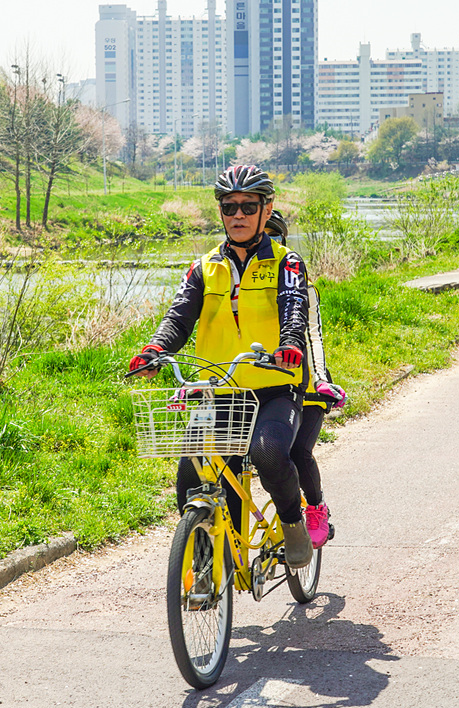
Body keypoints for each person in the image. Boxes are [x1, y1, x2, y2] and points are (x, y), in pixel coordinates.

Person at [128, 165, 318, 567]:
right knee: (191, 470)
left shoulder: (287, 263)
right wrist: (155, 349)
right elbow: (179, 317)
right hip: (219, 389)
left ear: (267, 210)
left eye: (249, 206)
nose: (239, 215)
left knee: (268, 453)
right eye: (229, 206)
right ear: (220, 211)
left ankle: (292, 523)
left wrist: (289, 345)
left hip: (274, 387)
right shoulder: (204, 267)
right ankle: (206, 558)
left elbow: (294, 309)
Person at [265, 209, 344, 550]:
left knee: (298, 451)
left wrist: (321, 379)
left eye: (274, 235)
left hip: (305, 382)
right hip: (258, 384)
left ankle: (315, 508)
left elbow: (313, 335)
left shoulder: (301, 285)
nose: (266, 241)